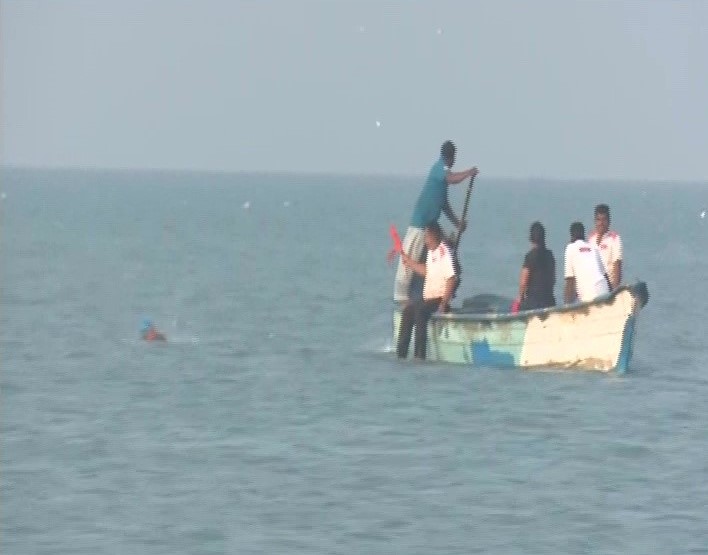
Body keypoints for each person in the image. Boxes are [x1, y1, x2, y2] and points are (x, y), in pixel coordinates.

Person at [393, 140, 478, 304]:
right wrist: (468, 173)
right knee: (409, 266)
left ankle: (441, 295)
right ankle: (405, 302)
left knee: (447, 256)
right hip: (420, 227)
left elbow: (443, 203)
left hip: (432, 226)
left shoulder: (443, 175)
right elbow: (452, 178)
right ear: (451, 158)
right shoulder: (440, 169)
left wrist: (456, 223)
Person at [396, 222, 458, 360]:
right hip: (428, 299)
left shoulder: (444, 252)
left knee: (420, 312)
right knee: (408, 311)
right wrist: (410, 262)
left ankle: (420, 354)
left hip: (439, 299)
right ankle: (401, 353)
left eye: (426, 238)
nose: (425, 241)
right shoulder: (431, 252)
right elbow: (428, 271)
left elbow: (451, 278)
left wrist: (444, 303)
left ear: (434, 236)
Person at [563, 222, 610, 304]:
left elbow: (570, 281)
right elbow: (605, 276)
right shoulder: (593, 247)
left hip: (589, 296)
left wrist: (566, 306)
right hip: (604, 290)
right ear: (583, 235)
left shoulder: (570, 248)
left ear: (571, 237)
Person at [516, 221, 556, 311]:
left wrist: (519, 299)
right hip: (549, 302)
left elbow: (523, 283)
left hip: (533, 304)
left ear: (531, 238)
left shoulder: (530, 256)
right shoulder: (550, 255)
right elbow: (553, 279)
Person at [588, 203, 623, 289]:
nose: (601, 223)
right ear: (595, 221)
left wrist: (614, 291)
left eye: (604, 220)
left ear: (609, 221)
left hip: (608, 288)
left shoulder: (614, 238)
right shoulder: (591, 238)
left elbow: (617, 264)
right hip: (594, 287)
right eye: (598, 220)